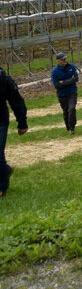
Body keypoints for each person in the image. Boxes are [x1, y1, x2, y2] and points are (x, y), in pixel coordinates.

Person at [1, 66, 28, 198]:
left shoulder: (3, 78)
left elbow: (16, 101)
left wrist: (22, 123)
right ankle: (5, 170)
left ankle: (1, 189)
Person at [51, 52, 79, 135]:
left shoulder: (71, 67)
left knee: (72, 109)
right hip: (62, 94)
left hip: (72, 92)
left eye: (65, 59)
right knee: (66, 111)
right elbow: (56, 85)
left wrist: (63, 82)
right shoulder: (55, 71)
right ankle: (68, 127)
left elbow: (76, 78)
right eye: (62, 59)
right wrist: (70, 81)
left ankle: (72, 127)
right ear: (58, 61)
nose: (64, 60)